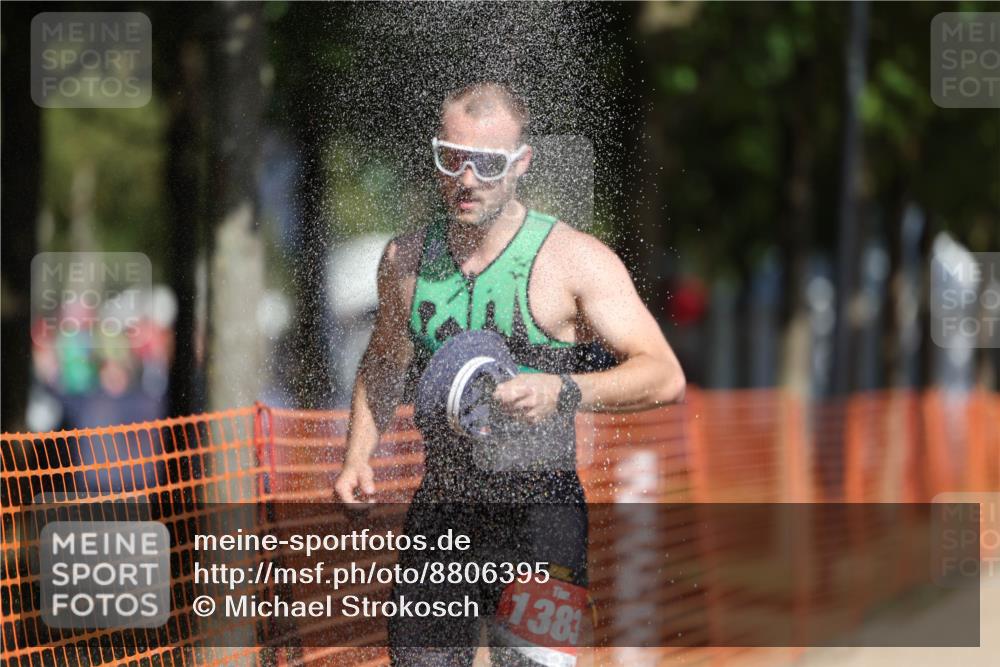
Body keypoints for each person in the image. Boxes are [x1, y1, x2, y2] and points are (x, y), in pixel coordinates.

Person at [333, 82, 686, 666]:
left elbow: (664, 375)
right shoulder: (405, 260)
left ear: (521, 163)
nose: (467, 179)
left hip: (541, 518)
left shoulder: (573, 260)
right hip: (443, 515)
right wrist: (356, 456)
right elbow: (385, 360)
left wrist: (564, 389)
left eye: (488, 164)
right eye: (451, 158)